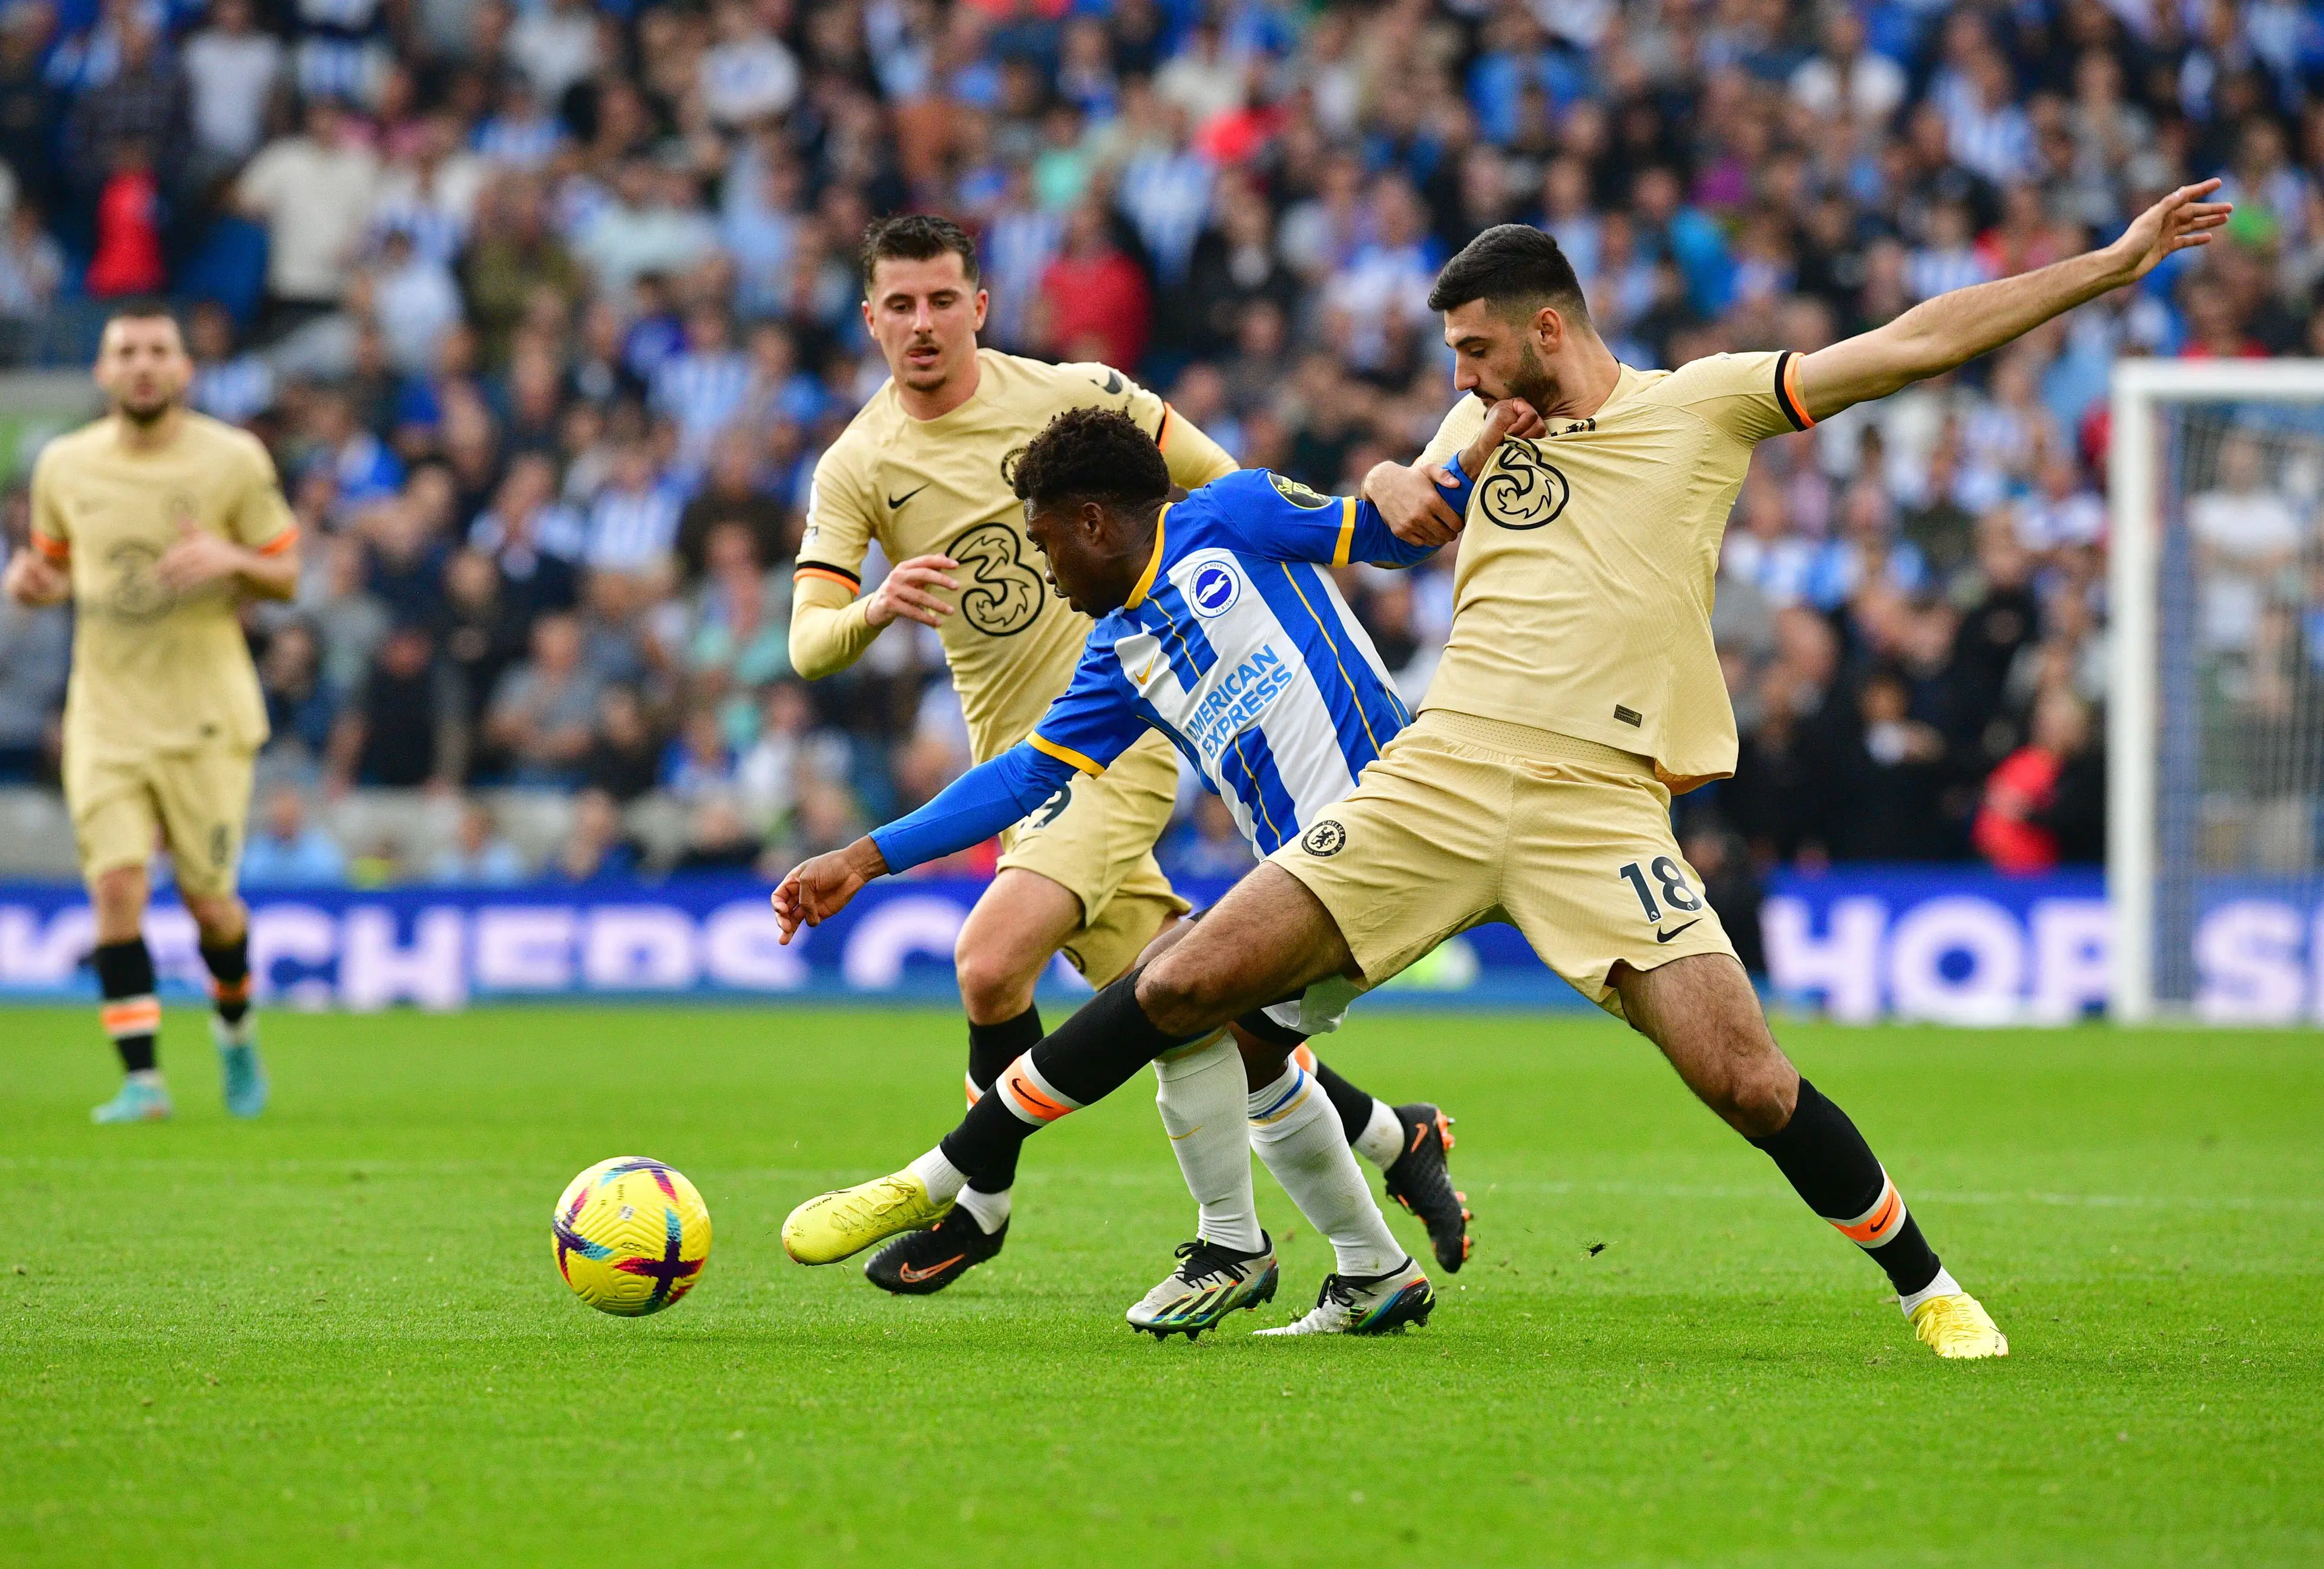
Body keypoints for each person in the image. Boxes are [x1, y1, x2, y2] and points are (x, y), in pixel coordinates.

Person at [783, 182, 2235, 1362]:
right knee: (1181, 988)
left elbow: (1909, 344)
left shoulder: (1704, 407)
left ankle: (1930, 1289)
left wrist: (2104, 267)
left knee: (1741, 1077)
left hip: (1602, 799)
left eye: (1476, 353)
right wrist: (1422, 480)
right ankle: (961, 1179)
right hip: (1439, 776)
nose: (1461, 381)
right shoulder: (1482, 429)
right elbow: (1400, 509)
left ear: (1549, 327)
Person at [786, 213, 1470, 1300]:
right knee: (1206, 1019)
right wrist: (872, 611)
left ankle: (976, 1198)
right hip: (1036, 745)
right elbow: (807, 645)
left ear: (980, 304)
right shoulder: (860, 463)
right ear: (870, 319)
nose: (922, 324)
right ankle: (1388, 1154)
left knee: (994, 958)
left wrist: (1384, 492)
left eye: (941, 299)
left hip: (1135, 732)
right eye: (899, 305)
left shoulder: (1082, 400)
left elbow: (1216, 488)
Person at [2, 301, 303, 1123]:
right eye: (125, 350)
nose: (141, 363)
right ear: (102, 372)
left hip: (207, 715)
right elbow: (58, 567)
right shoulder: (64, 465)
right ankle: (143, 1082)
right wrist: (33, 583)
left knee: (211, 905)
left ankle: (235, 1034)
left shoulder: (233, 460)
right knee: (117, 889)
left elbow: (288, 572)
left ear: (183, 369)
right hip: (104, 714)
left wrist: (231, 558)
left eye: (156, 350)